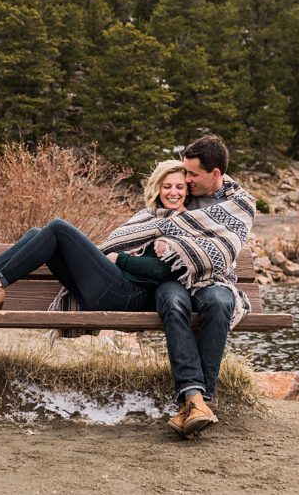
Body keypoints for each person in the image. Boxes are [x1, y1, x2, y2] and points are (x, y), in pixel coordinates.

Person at [103, 134, 256, 438]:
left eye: (192, 174)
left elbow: (225, 248)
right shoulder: (183, 190)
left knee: (220, 303)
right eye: (185, 172)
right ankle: (196, 402)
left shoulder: (239, 203)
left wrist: (176, 244)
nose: (186, 180)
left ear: (215, 174)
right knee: (174, 304)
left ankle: (197, 401)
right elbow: (159, 220)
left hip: (213, 278)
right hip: (171, 279)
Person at [0, 159, 188, 313]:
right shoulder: (149, 216)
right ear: (157, 187)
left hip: (128, 296)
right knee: (37, 233)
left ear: (188, 190)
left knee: (58, 227)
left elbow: (163, 272)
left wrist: (122, 259)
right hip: (107, 289)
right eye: (167, 186)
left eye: (179, 187)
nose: (173, 192)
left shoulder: (186, 223)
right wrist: (115, 258)